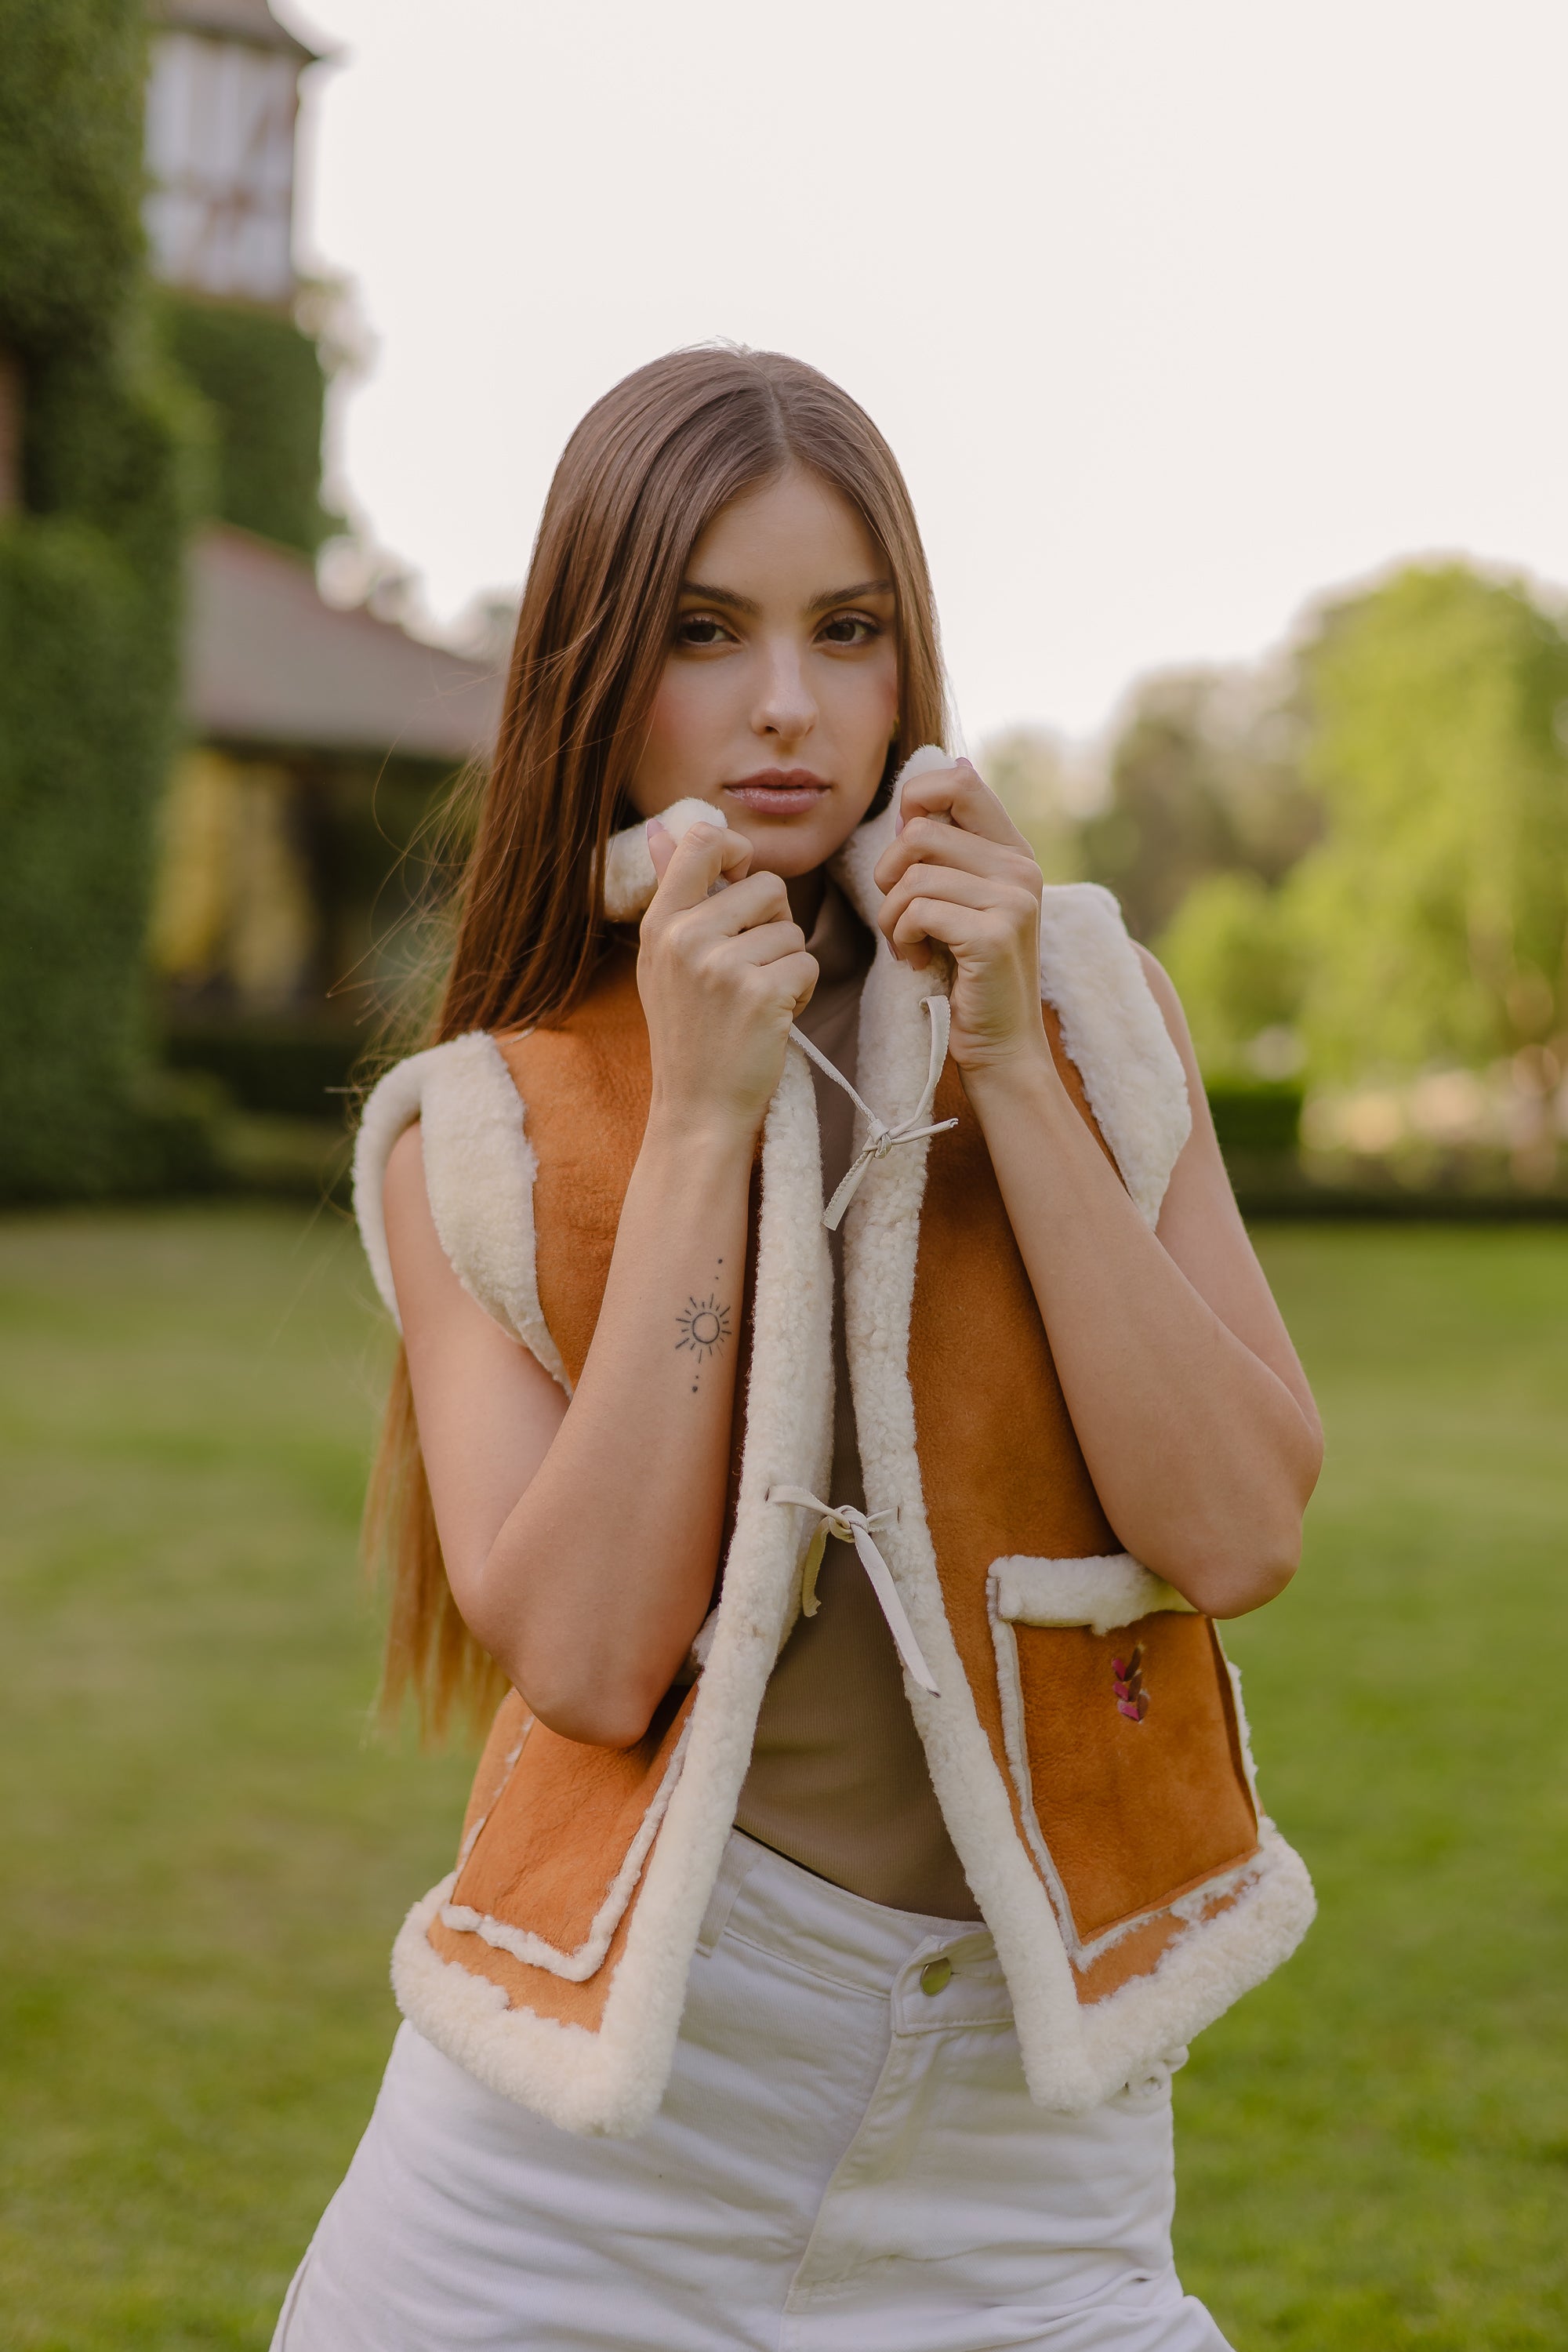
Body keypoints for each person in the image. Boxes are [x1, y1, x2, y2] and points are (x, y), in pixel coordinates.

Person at [273, 346, 1322, 2352]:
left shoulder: (1092, 1008)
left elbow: (1239, 1530)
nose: (785, 704)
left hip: (1024, 2156)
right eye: (703, 632)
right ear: (596, 676)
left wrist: (1009, 1067)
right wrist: (697, 1128)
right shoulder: (477, 1125)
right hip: (591, 2155)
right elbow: (590, 1657)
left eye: (846, 632)